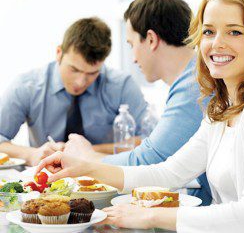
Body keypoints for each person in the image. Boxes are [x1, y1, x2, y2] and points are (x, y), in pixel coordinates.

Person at [36, 0, 244, 232]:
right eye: (208, 31)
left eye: (234, 31)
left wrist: (150, 215)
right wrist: (85, 168)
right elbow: (168, 173)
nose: (216, 43)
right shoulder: (221, 109)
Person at [62, 0, 212, 205]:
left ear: (151, 39)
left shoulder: (194, 85)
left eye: (132, 45)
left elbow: (150, 160)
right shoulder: (192, 79)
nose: (133, 58)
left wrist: (86, 158)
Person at [0, 17, 147, 166]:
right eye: (74, 69)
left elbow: (148, 141)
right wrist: (31, 154)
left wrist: (88, 151)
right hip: (43, 181)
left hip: (106, 181)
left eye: (92, 73)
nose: (80, 82)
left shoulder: (122, 86)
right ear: (59, 53)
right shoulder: (26, 86)